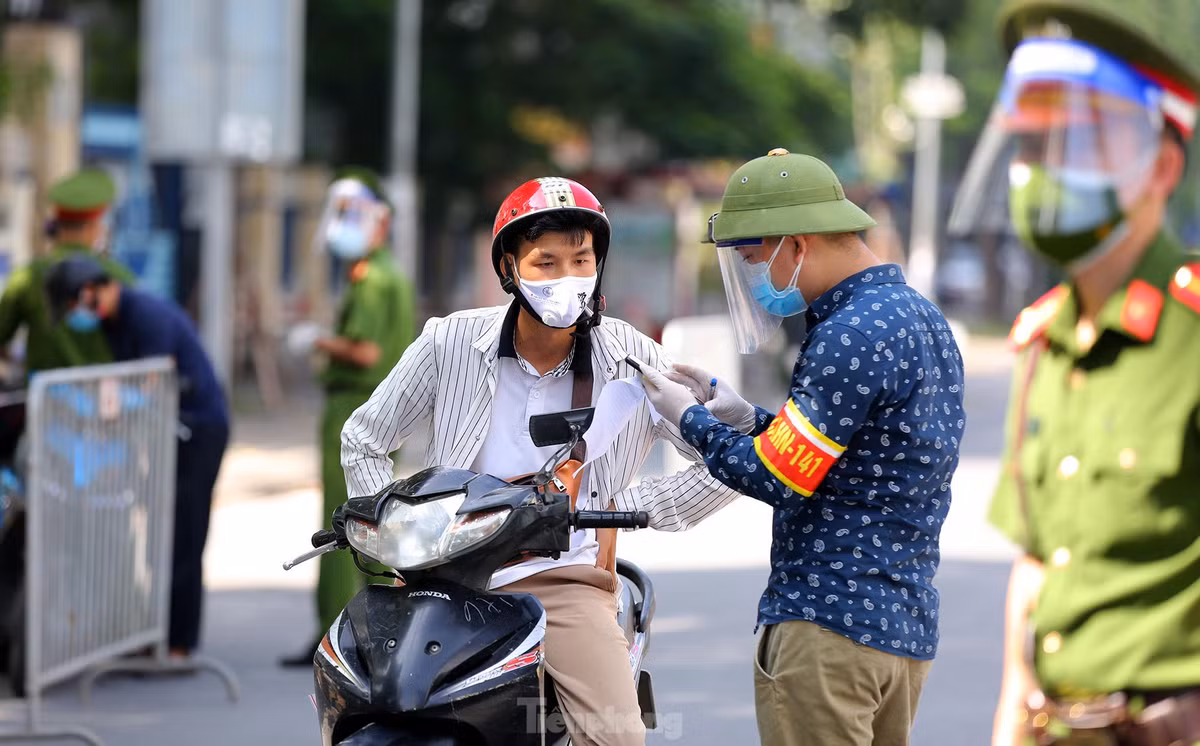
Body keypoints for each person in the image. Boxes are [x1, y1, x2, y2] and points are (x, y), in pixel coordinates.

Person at [338, 176, 743, 746]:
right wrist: (392, 526)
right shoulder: (447, 342)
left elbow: (731, 461)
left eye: (581, 260)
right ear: (510, 267)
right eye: (545, 262)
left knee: (617, 738)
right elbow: (364, 437)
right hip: (441, 578)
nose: (566, 278)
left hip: (562, 582)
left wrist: (624, 506)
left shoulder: (632, 358)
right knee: (361, 704)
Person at [638, 148, 966, 746]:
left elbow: (777, 477)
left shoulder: (847, 334)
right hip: (902, 631)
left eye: (754, 257)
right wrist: (745, 417)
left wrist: (689, 421)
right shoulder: (917, 317)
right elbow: (849, 459)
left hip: (828, 629)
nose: (755, 278)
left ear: (797, 243)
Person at [945, 2, 1200, 744]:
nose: (1048, 165)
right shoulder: (1044, 338)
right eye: (1034, 140)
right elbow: (1037, 563)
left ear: (1161, 165)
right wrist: (1009, 724)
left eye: (1083, 138)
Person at [42, 255, 229, 658]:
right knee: (158, 535)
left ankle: (179, 641)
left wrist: (115, 403)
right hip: (165, 434)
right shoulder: (115, 322)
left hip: (197, 431)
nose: (76, 315)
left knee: (183, 533)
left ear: (89, 291)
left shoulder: (145, 316)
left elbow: (153, 384)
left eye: (73, 305)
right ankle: (152, 632)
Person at [280, 168, 417, 667]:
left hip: (358, 408)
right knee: (369, 517)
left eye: (351, 215)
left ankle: (339, 637)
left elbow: (365, 351)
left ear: (379, 221)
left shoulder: (376, 279)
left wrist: (317, 340)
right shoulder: (380, 274)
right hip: (376, 410)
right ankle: (379, 631)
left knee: (344, 523)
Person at [0, 166, 136, 376]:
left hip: (45, 405)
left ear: (56, 225)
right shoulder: (119, 277)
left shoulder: (28, 277)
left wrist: (20, 364)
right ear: (94, 226)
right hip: (107, 404)